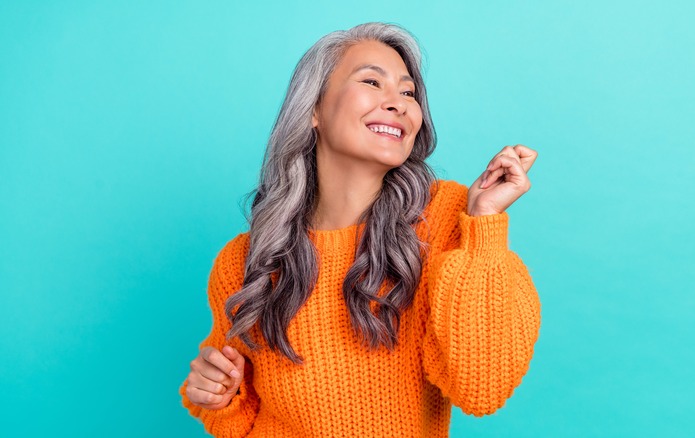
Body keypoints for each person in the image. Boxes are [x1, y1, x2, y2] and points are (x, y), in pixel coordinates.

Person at [179, 21, 541, 437]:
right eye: (373, 81)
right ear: (313, 108)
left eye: (408, 93)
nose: (399, 103)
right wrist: (220, 397)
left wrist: (484, 228)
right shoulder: (246, 260)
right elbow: (239, 418)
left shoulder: (445, 218)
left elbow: (482, 389)